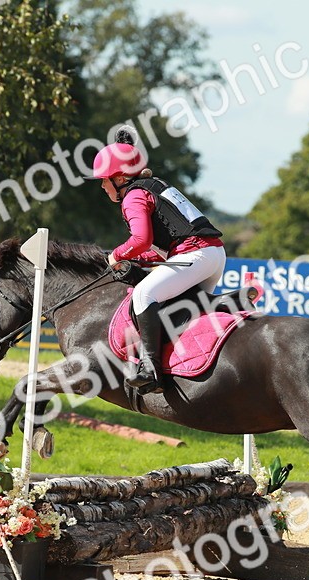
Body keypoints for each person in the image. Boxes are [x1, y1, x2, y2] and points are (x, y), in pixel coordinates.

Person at [92, 128, 227, 395]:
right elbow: (156, 248)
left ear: (119, 178)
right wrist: (136, 259)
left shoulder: (133, 196)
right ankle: (220, 307)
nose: (102, 186)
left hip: (195, 256)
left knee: (142, 295)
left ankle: (149, 370)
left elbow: (141, 239)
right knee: (177, 307)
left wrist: (116, 255)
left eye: (104, 180)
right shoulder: (157, 186)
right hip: (212, 255)